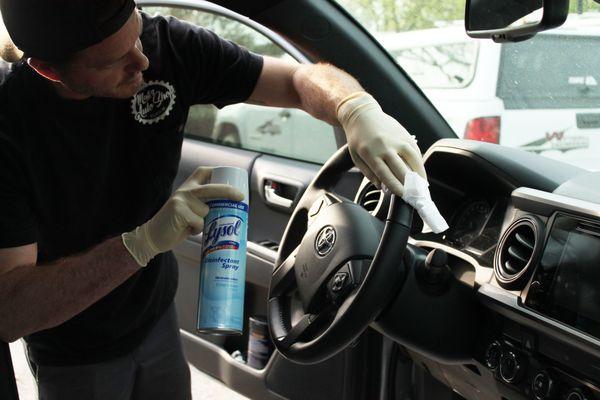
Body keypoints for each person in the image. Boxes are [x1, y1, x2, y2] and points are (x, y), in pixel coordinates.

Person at [0, 0, 427, 399]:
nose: (142, 61)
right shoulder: (11, 128)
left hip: (156, 318)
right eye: (114, 60)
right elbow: (11, 309)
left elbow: (298, 79)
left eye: (135, 35)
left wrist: (355, 108)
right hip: (74, 350)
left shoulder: (167, 45)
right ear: (49, 71)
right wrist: (142, 242)